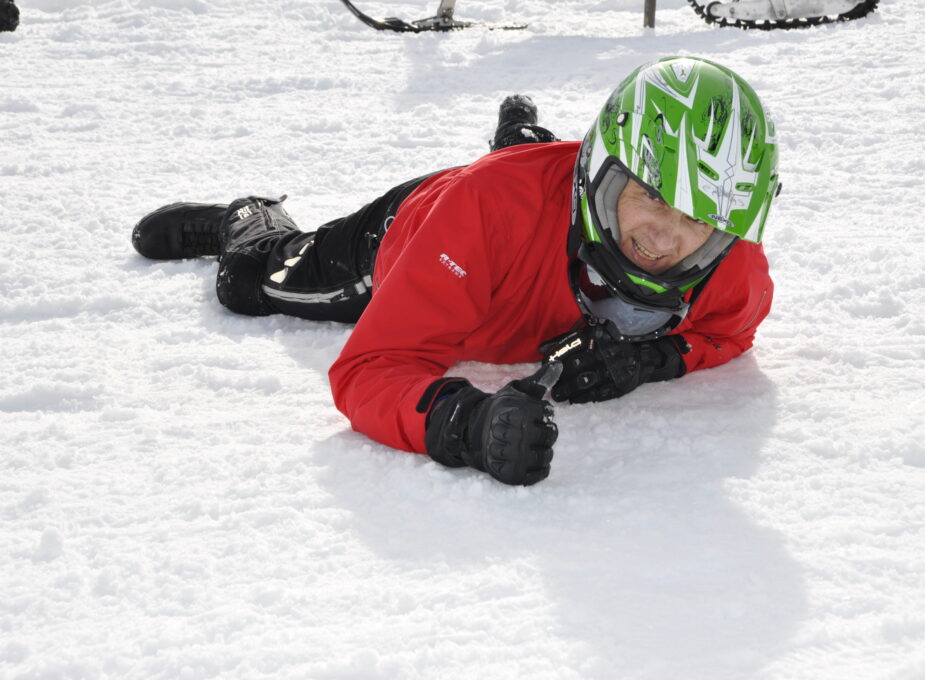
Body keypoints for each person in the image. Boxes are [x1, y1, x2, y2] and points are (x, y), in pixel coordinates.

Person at [131, 56, 779, 486]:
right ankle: (245, 225)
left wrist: (652, 361)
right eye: (654, 197)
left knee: (526, 175)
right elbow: (367, 370)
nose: (666, 238)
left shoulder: (729, 260)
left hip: (529, 191)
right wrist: (465, 423)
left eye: (699, 220)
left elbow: (730, 332)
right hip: (415, 229)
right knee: (253, 286)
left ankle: (520, 139)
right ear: (604, 175)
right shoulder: (476, 216)